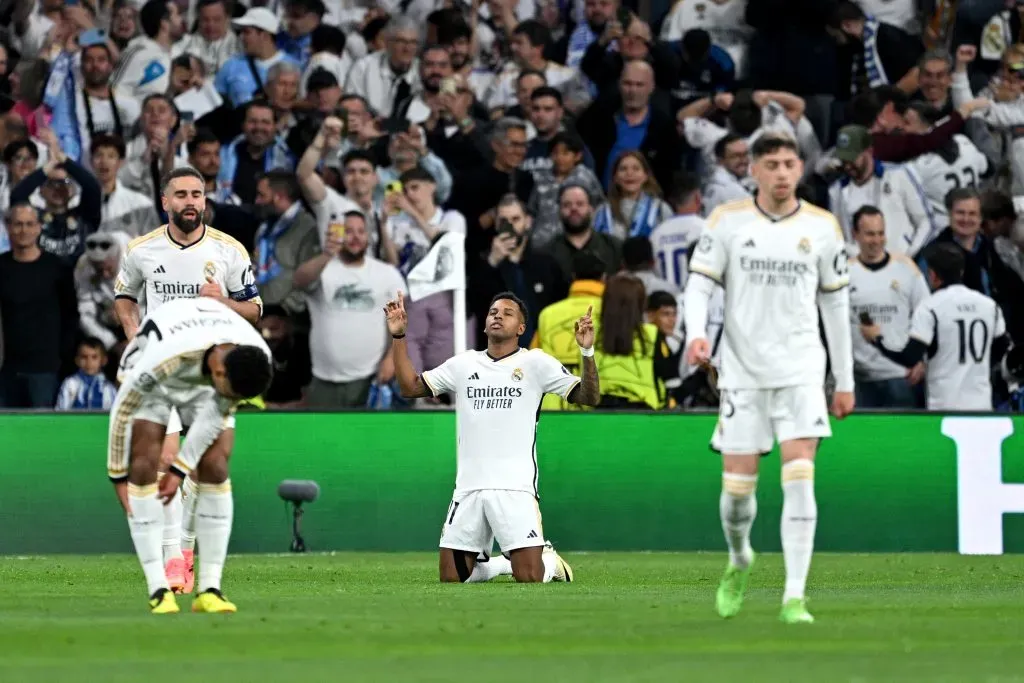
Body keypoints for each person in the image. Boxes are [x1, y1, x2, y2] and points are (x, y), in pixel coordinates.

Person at [683, 133, 855, 624]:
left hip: (802, 369)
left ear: (800, 168)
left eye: (789, 163)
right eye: (772, 164)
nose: (782, 172)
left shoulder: (822, 227)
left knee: (800, 478)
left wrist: (843, 380)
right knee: (738, 493)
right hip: (741, 371)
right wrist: (697, 335)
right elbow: (697, 286)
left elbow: (836, 303)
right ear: (753, 171)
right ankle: (739, 557)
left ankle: (794, 597)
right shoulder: (728, 221)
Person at [114, 166, 262, 597]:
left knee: (209, 466)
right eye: (181, 194)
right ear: (166, 202)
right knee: (167, 457)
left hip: (214, 373)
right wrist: (136, 338)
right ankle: (173, 561)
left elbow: (256, 308)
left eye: (197, 193)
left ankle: (186, 548)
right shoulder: (142, 250)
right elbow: (125, 299)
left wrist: (226, 302)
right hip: (163, 371)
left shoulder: (229, 250)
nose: (190, 201)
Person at [386, 289, 600, 583]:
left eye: (507, 313)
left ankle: (550, 562)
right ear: (485, 324)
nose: (497, 315)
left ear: (521, 328)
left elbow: (589, 396)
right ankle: (501, 564)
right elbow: (410, 387)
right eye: (493, 312)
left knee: (529, 577)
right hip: (469, 488)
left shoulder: (536, 363)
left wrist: (587, 352)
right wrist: (399, 337)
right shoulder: (463, 364)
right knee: (452, 579)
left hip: (515, 487)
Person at [108, 297, 272, 614]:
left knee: (216, 463)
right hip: (157, 372)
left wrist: (181, 470)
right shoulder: (159, 360)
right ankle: (159, 590)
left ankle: (210, 589)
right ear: (221, 373)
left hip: (203, 371)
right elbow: (122, 412)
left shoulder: (255, 357)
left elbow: (217, 413)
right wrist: (117, 475)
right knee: (144, 460)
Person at [861, 242, 1010, 411]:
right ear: (961, 271)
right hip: (981, 406)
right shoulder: (989, 306)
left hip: (943, 406)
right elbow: (1002, 350)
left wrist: (877, 340)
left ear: (932, 275)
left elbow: (909, 357)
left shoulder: (930, 307)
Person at [848, 206, 929, 408]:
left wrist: (923, 360)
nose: (876, 240)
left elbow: (927, 315)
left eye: (880, 233)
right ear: (855, 235)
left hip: (901, 376)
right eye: (869, 234)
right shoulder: (844, 272)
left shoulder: (906, 267)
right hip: (860, 379)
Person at [55, 338, 118, 410]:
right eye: (84, 357)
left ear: (103, 360)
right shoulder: (70, 384)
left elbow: (114, 415)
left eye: (94, 357)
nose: (89, 362)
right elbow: (61, 412)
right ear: (77, 360)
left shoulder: (108, 388)